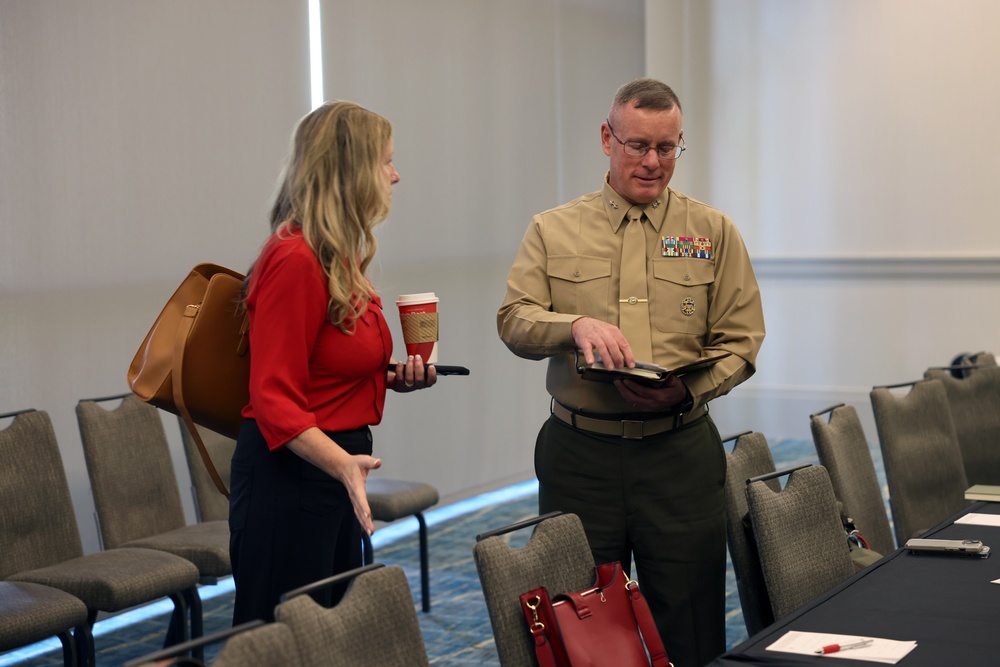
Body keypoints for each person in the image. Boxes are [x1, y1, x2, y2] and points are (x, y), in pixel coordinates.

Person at [497, 78, 765, 666]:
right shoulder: (553, 229)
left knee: (690, 622)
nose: (652, 163)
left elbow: (742, 341)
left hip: (678, 455)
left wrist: (689, 390)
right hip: (580, 458)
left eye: (667, 148)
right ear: (606, 138)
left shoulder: (713, 232)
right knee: (581, 625)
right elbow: (515, 321)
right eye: (637, 145)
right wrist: (572, 327)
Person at [229, 101, 437, 624]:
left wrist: (390, 377)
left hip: (333, 467)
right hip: (292, 476)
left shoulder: (335, 255)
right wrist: (341, 465)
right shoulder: (294, 259)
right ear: (350, 171)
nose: (396, 174)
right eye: (385, 161)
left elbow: (324, 365)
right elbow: (273, 397)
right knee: (285, 644)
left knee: (331, 634)